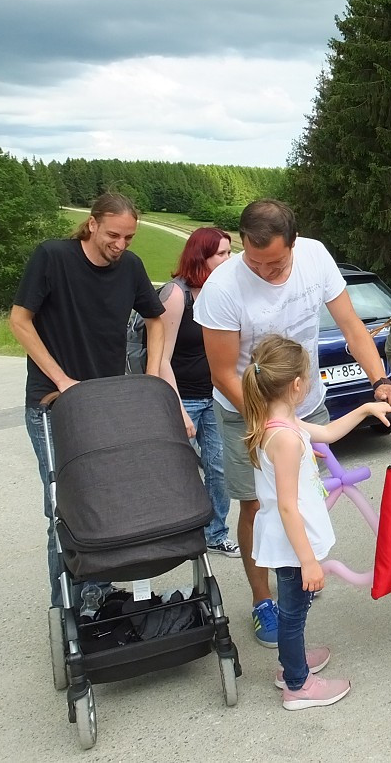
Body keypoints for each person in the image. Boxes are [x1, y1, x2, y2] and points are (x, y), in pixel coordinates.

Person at [194, 199, 391, 648]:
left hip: (304, 402)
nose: (266, 272)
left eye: (275, 263)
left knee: (302, 498)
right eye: (255, 262)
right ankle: (261, 601)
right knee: (258, 505)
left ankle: (298, 573)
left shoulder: (315, 256)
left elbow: (351, 325)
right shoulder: (222, 288)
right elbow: (223, 372)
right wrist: (271, 421)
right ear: (242, 245)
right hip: (245, 414)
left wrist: (380, 382)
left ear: (294, 243)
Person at [10, 192, 165, 607]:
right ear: (92, 224)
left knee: (108, 501)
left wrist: (151, 377)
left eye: (129, 238)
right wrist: (62, 378)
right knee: (63, 506)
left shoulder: (130, 267)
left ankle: (99, 592)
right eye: (114, 235)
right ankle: (69, 607)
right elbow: (19, 321)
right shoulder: (52, 257)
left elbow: (156, 319)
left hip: (106, 406)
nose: (121, 245)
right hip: (53, 402)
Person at [240, 334, 391, 709]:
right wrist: (308, 560)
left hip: (291, 541)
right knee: (293, 613)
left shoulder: (280, 422)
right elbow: (287, 507)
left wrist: (365, 409)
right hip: (294, 543)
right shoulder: (286, 439)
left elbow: (327, 433)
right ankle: (298, 685)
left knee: (297, 608)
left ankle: (291, 663)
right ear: (297, 385)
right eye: (308, 377)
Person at [157, 227, 239, 558]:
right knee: (176, 471)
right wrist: (176, 408)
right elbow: (160, 357)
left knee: (220, 469)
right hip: (183, 398)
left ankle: (215, 532)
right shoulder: (177, 295)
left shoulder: (224, 292)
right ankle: (172, 536)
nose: (229, 259)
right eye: (222, 253)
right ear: (200, 257)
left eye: (230, 252)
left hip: (216, 397)